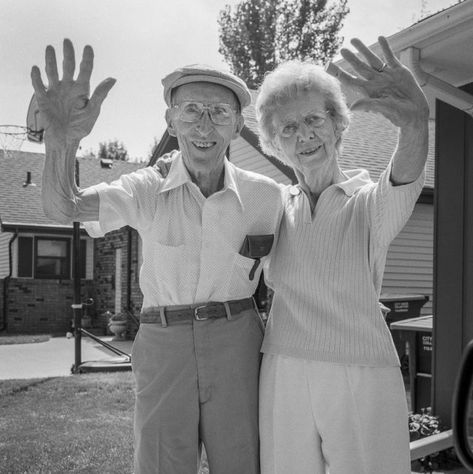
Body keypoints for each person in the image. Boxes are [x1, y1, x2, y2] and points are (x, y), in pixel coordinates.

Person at [31, 39, 283, 474]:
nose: (204, 125)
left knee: (245, 463)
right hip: (164, 343)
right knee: (162, 465)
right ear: (170, 119)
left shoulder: (268, 197)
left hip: (238, 340)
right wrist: (61, 141)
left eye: (219, 112)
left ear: (238, 123)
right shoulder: (146, 188)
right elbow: (64, 207)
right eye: (190, 110)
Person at [255, 36, 429, 474]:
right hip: (283, 368)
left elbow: (404, 179)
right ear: (274, 144)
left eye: (314, 119)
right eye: (287, 128)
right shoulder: (273, 206)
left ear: (338, 125)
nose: (304, 136)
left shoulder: (368, 202)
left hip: (361, 370)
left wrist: (415, 124)